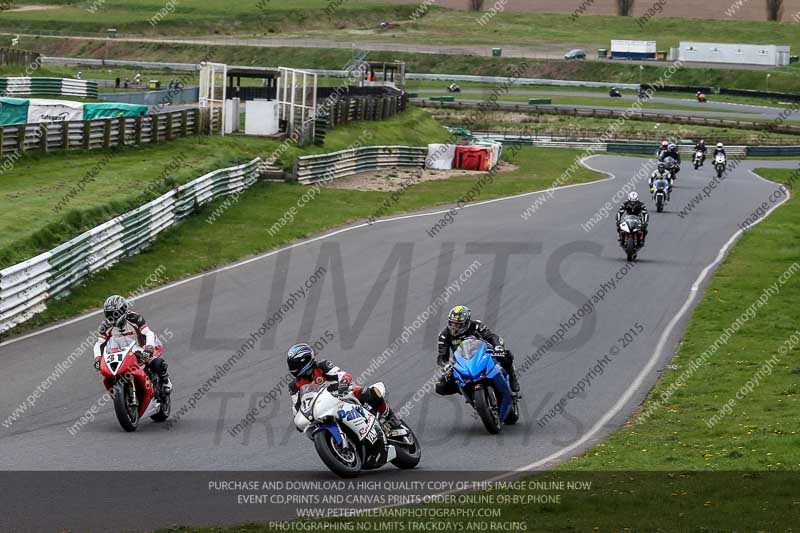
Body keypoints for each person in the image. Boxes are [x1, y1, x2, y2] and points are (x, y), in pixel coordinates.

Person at [287, 343, 403, 429]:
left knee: (368, 393)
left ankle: (390, 416)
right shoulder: (294, 386)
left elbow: (341, 374)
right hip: (321, 409)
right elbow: (297, 407)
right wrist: (299, 419)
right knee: (311, 428)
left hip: (342, 394)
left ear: (305, 360)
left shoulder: (321, 365)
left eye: (295, 364)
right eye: (291, 365)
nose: (293, 368)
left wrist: (343, 383)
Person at [92, 295, 171, 394]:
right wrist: (98, 358)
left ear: (123, 310)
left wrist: (149, 347)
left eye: (115, 313)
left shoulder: (134, 318)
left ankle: (166, 381)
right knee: (110, 372)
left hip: (141, 348)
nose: (112, 317)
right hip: (120, 353)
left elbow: (148, 333)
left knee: (157, 363)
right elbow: (99, 343)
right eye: (109, 314)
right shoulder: (106, 326)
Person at [435, 305, 520, 395]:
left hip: (483, 354)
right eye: (452, 323)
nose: (454, 327)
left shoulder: (476, 326)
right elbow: (441, 358)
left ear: (466, 323)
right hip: (463, 361)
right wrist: (446, 365)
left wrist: (498, 347)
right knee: (440, 386)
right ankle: (466, 390)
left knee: (506, 356)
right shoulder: (444, 335)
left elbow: (492, 337)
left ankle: (512, 378)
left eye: (458, 324)